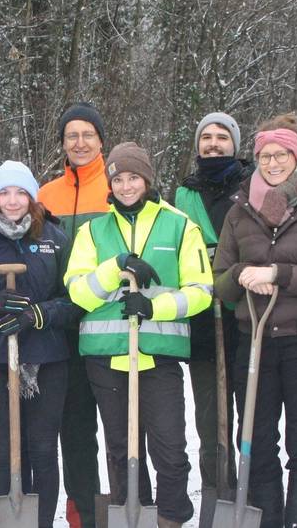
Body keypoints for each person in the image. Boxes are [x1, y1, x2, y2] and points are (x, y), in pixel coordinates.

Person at [211, 114, 297, 528]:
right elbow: (221, 281)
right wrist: (240, 276)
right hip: (253, 340)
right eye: (265, 156)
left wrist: (279, 274)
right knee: (255, 440)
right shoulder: (240, 212)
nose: (273, 163)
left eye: (282, 155)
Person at [65, 142, 214, 528]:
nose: (126, 186)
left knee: (169, 447)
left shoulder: (180, 225)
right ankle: (134, 515)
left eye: (134, 177)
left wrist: (153, 308)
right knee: (120, 449)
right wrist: (116, 267)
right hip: (105, 355)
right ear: (109, 184)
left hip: (159, 353)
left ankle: (170, 518)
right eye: (118, 178)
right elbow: (77, 290)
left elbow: (201, 290)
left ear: (147, 179)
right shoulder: (92, 231)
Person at [0, 161, 83, 528]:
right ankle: (10, 522)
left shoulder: (55, 240)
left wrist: (37, 315)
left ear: (32, 197)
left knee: (43, 449)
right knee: (5, 451)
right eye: (5, 193)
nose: (12, 201)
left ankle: (40, 522)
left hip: (48, 361)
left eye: (21, 192)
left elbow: (74, 301)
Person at [35, 102, 118, 528]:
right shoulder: (46, 194)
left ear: (101, 139)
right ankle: (83, 509)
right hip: (64, 326)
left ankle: (125, 503)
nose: (80, 143)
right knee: (76, 425)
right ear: (63, 143)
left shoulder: (118, 185)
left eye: (88, 134)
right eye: (72, 136)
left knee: (121, 426)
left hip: (112, 322)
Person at [171, 112, 251, 526]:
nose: (214, 144)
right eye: (207, 137)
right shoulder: (183, 194)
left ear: (235, 145)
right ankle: (217, 491)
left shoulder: (252, 186)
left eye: (222, 137)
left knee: (250, 413)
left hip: (247, 316)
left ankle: (248, 495)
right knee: (210, 417)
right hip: (203, 320)